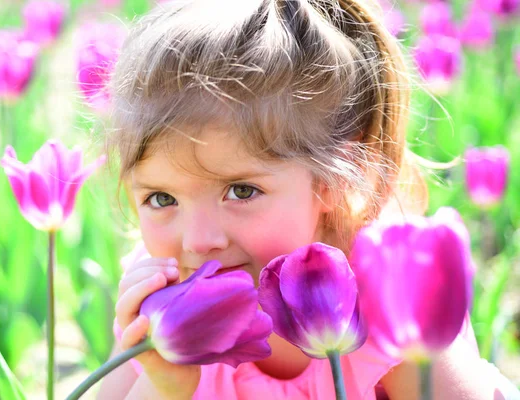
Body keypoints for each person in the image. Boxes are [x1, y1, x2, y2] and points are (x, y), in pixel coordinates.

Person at [97, 0, 520, 398]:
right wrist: (165, 384)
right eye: (161, 198)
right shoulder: (163, 300)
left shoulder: (386, 295)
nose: (197, 240)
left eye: (241, 191)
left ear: (334, 181)